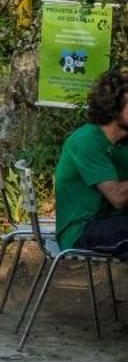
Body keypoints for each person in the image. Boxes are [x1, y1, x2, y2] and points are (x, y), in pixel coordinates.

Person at [54, 68, 128, 258]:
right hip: (82, 231)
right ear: (114, 105)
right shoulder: (87, 141)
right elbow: (118, 197)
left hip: (112, 221)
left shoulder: (122, 142)